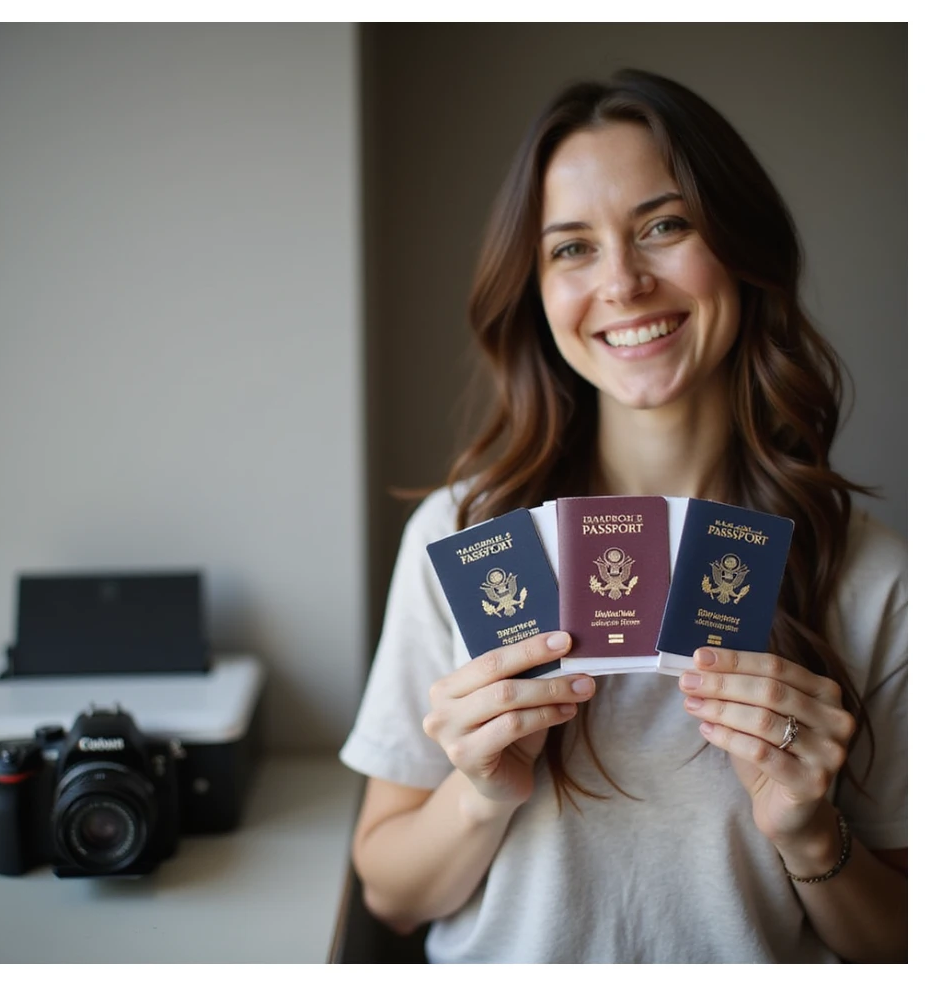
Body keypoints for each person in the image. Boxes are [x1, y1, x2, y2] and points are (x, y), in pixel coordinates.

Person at [338, 69, 907, 964]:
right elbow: (390, 895)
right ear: (534, 290)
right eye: (572, 249)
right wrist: (481, 794)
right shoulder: (460, 539)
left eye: (664, 226)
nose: (625, 282)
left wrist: (809, 835)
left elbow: (909, 949)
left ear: (740, 244)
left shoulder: (870, 577)